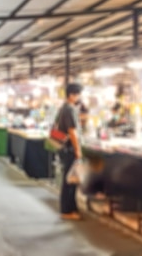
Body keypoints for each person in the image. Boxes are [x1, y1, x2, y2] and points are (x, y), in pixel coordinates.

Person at [55, 83, 83, 220]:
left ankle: (70, 208)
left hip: (64, 148)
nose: (79, 97)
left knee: (70, 179)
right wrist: (78, 150)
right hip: (69, 149)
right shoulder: (69, 109)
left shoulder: (63, 108)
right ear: (72, 95)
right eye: (78, 94)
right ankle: (67, 210)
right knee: (69, 181)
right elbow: (72, 131)